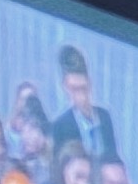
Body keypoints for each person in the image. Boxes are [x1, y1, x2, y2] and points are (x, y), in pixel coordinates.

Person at [48, 45, 119, 177]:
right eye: (74, 89)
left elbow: (114, 159)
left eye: (83, 88)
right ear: (66, 88)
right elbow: (59, 171)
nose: (81, 96)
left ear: (90, 84)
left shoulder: (104, 117)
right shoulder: (60, 126)